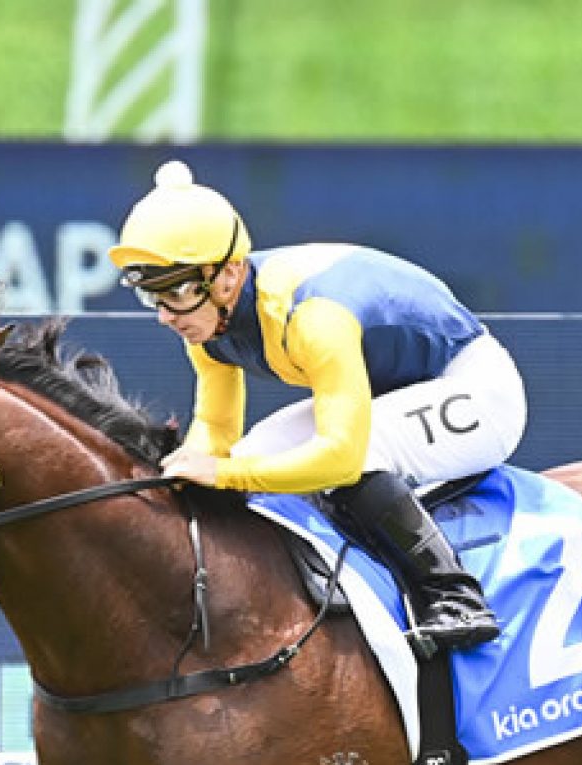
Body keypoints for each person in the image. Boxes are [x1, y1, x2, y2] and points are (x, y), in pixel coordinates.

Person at [108, 160, 526, 653]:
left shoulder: (314, 318)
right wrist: (186, 475)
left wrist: (222, 475)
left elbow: (339, 457)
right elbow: (216, 436)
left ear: (229, 275)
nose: (164, 316)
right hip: (394, 391)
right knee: (252, 452)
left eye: (174, 292)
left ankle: (454, 597)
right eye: (149, 297)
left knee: (356, 456)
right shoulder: (203, 321)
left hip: (475, 387)